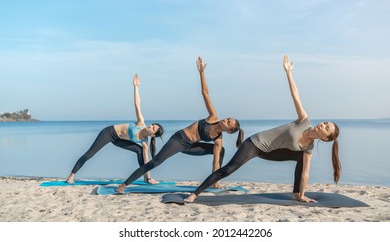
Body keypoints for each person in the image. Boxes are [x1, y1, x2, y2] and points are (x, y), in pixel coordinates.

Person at [185, 55, 340, 203]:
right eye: (325, 123)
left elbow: (305, 174)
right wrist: (288, 72)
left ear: (325, 138)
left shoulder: (309, 148)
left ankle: (295, 194)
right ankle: (194, 194)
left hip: (269, 152)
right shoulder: (305, 122)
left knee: (303, 157)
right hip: (254, 144)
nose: (323, 124)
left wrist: (303, 195)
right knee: (227, 170)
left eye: (327, 128)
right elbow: (295, 95)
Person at [116, 57, 244, 193]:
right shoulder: (213, 117)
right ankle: (124, 185)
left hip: (190, 147)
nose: (225, 120)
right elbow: (205, 93)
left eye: (228, 122)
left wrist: (215, 178)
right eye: (228, 118)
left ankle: (215, 182)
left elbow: (216, 162)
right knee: (156, 162)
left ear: (229, 131)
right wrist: (201, 72)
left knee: (221, 151)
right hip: (179, 139)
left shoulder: (218, 139)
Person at [66, 74, 164, 185]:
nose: (150, 126)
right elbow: (137, 104)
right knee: (90, 153)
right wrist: (136, 87)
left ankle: (148, 179)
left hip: (118, 140)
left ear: (153, 135)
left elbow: (146, 161)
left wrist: (149, 175)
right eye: (152, 125)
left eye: (153, 128)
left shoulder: (145, 143)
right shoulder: (141, 122)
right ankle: (71, 176)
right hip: (109, 133)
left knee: (140, 150)